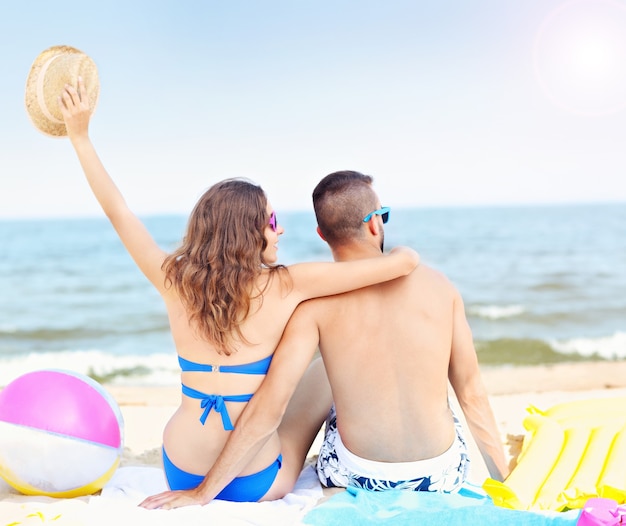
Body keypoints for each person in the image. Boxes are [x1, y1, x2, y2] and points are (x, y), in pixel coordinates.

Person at [58, 81, 420, 503]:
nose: (280, 229)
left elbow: (117, 210)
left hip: (180, 469)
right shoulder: (287, 284)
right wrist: (399, 245)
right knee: (322, 372)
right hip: (255, 480)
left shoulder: (172, 278)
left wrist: (79, 137)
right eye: (271, 222)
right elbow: (400, 265)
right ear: (250, 232)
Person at [140, 170, 510, 510]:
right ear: (375, 223)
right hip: (440, 473)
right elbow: (471, 394)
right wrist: (506, 484)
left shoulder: (314, 307)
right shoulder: (440, 287)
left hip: (358, 476)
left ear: (321, 234)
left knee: (322, 373)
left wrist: (204, 492)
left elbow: (270, 405)